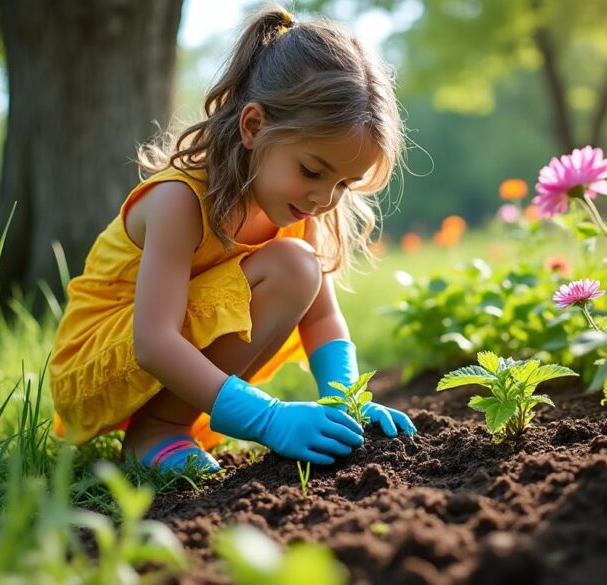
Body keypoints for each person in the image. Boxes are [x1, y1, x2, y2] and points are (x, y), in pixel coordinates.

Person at [49, 6, 416, 475]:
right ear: (254, 126)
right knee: (293, 266)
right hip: (101, 363)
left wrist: (350, 402)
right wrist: (267, 419)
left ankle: (167, 422)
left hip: (163, 361)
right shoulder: (179, 200)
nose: (325, 197)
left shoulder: (299, 204)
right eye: (312, 171)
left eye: (344, 184)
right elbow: (154, 342)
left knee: (298, 266)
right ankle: (157, 431)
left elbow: (323, 316)